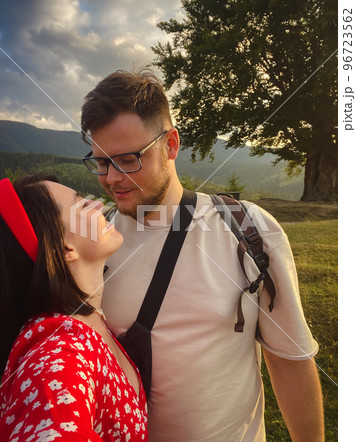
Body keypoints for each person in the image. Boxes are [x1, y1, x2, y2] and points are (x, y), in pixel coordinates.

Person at [80, 69, 325, 441]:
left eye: (128, 159)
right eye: (101, 162)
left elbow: (290, 363)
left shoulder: (247, 230)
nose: (112, 178)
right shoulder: (94, 243)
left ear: (171, 145)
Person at [0, 174, 148, 441]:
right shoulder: (58, 359)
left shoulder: (89, 323)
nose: (99, 205)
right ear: (65, 248)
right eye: (81, 205)